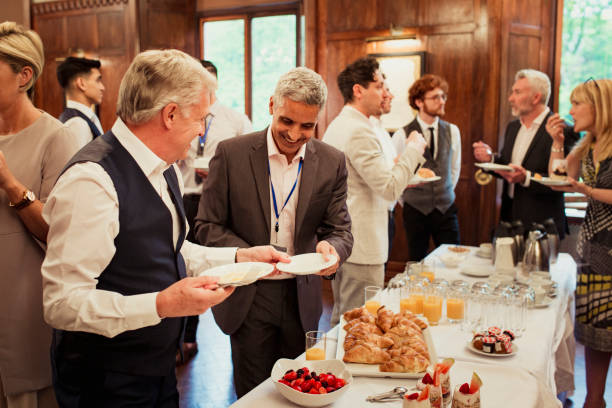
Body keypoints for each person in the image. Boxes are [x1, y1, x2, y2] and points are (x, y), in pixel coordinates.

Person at [41, 49, 288, 408]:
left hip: (157, 368)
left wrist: (239, 257)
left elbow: (171, 248)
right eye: (201, 118)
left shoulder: (164, 167)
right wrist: (161, 304)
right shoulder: (92, 181)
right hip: (104, 379)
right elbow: (62, 304)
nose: (203, 130)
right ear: (169, 115)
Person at [194, 67, 353, 397]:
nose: (295, 134)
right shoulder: (231, 153)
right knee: (254, 394)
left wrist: (332, 249)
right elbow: (207, 226)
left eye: (307, 126)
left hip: (302, 296)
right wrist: (247, 256)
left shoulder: (332, 161)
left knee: (298, 389)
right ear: (271, 106)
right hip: (249, 293)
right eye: (287, 121)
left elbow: (340, 230)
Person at [0, 21, 79, 408]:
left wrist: (10, 183)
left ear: (24, 75)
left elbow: (58, 232)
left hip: (27, 302)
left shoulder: (56, 137)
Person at [323, 57, 426, 326]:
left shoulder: (350, 124)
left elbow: (381, 174)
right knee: (358, 322)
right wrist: (414, 149)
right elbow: (390, 188)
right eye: (379, 85)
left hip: (347, 237)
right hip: (361, 240)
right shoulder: (357, 130)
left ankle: (332, 367)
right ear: (358, 90)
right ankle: (341, 368)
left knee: (344, 317)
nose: (386, 92)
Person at [177, 60, 252, 363]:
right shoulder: (183, 116)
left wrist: (219, 172)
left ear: (215, 83)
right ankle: (184, 336)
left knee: (210, 265)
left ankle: (221, 324)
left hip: (217, 202)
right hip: (185, 195)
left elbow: (249, 161)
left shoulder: (234, 119)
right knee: (180, 263)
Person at [545, 78, 612, 408]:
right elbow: (558, 180)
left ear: (599, 108)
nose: (570, 110)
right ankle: (593, 400)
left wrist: (588, 191)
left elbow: (582, 189)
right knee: (595, 335)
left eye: (576, 103)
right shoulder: (587, 144)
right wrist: (558, 141)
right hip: (593, 247)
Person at [472, 69, 579, 238]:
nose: (510, 98)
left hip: (543, 225)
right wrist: (490, 158)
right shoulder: (513, 128)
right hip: (510, 220)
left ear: (536, 97)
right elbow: (510, 167)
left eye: (517, 92)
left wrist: (526, 178)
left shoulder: (563, 129)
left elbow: (564, 181)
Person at [391, 74, 461, 261]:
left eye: (443, 96)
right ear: (419, 102)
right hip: (415, 209)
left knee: (452, 260)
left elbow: (454, 169)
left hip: (446, 208)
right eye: (435, 97)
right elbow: (395, 171)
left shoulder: (452, 131)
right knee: (416, 261)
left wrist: (444, 193)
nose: (441, 101)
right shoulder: (401, 134)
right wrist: (407, 201)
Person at [369, 80, 397, 257]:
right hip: (372, 218)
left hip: (388, 213)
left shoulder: (383, 131)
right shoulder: (366, 131)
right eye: (382, 89)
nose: (390, 95)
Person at [56, 56, 105, 148]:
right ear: (81, 83)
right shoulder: (77, 124)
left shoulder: (84, 118)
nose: (102, 87)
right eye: (98, 80)